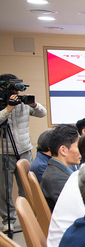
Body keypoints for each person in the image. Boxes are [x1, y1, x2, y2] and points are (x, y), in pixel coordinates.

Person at [0, 74, 47, 232]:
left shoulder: (23, 103)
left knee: (26, 187)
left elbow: (42, 113)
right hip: (3, 152)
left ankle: (29, 217)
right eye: (14, 89)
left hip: (24, 150)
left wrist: (34, 104)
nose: (17, 93)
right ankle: (8, 220)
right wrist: (8, 109)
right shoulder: (2, 104)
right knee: (4, 189)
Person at [40, 124, 81, 211]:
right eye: (78, 146)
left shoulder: (57, 171)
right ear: (63, 150)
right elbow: (77, 208)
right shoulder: (57, 178)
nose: (81, 150)